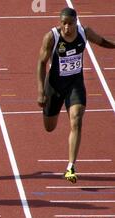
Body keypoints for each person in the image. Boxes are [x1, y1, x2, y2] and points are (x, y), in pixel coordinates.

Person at [37, 8, 115, 184]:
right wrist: (41, 91)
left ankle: (70, 166)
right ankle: (51, 111)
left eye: (70, 24)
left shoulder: (84, 33)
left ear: (75, 22)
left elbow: (102, 42)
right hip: (55, 86)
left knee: (77, 119)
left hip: (75, 84)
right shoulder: (52, 37)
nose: (66, 27)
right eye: (63, 23)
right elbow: (41, 63)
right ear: (60, 22)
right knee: (49, 127)